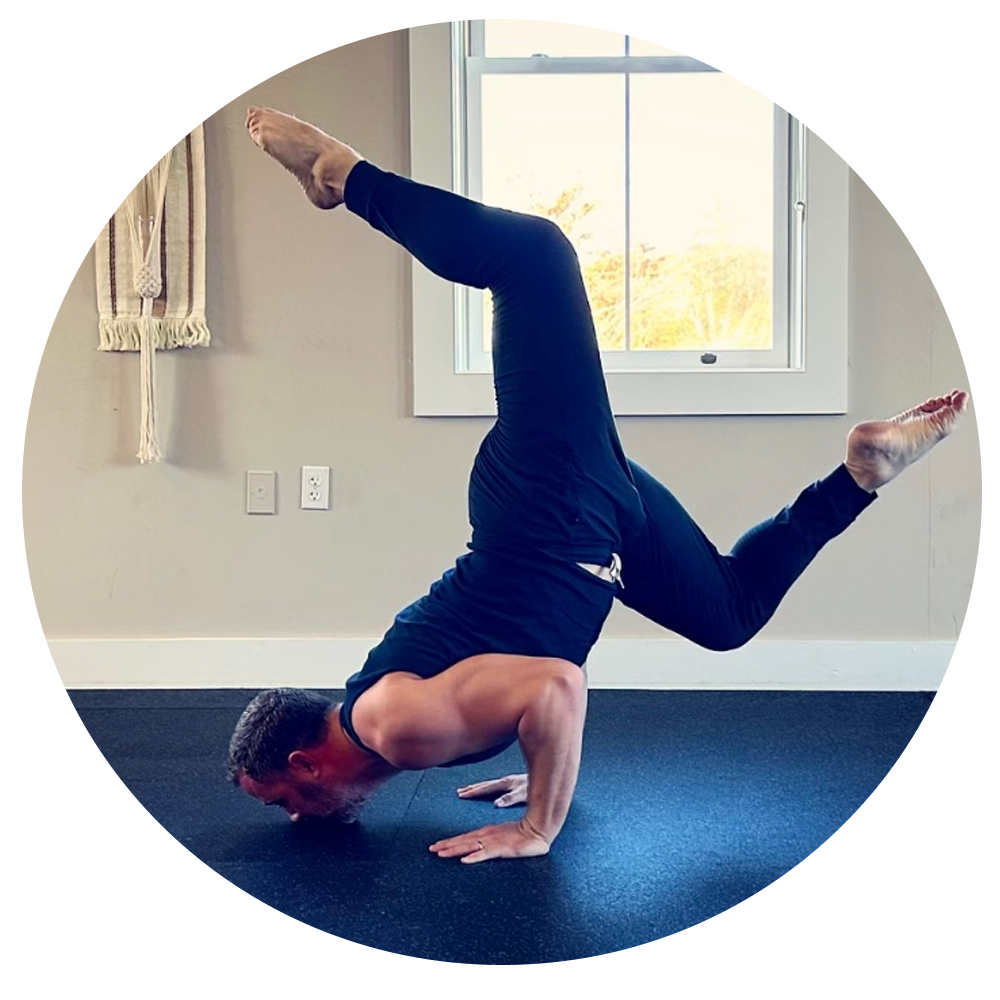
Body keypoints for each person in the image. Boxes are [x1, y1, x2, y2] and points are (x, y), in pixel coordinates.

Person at [227, 107, 969, 865]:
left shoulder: (392, 725)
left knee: (535, 256)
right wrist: (547, 770)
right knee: (728, 614)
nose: (296, 816)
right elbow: (523, 687)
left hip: (549, 511)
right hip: (587, 527)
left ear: (304, 764)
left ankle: (342, 178)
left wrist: (539, 825)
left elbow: (557, 686)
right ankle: (860, 476)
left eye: (283, 799)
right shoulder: (395, 725)